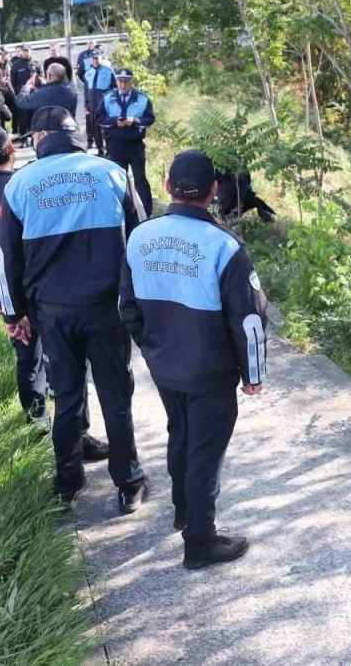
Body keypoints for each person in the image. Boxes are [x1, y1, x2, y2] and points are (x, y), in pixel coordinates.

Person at [119, 149, 268, 569]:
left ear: (167, 186)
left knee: (180, 434)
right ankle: (200, 542)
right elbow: (250, 320)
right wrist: (252, 374)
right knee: (205, 452)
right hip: (211, 371)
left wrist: (153, 347)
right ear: (214, 192)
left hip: (165, 367)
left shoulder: (140, 236)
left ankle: (184, 511)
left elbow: (126, 305)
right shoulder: (224, 246)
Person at [0, 106, 148, 507]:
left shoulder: (20, 185)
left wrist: (15, 316)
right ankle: (129, 484)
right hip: (107, 310)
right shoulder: (113, 172)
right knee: (116, 396)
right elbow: (140, 240)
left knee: (67, 397)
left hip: (54, 313)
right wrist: (141, 305)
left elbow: (6, 259)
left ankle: (68, 484)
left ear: (40, 139)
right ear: (76, 134)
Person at [0, 122, 110, 459]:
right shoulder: (23, 187)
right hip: (39, 294)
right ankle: (76, 437)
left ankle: (38, 428)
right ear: (12, 149)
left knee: (27, 362)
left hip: (8, 296)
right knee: (65, 369)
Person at [95, 67, 155, 216]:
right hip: (115, 145)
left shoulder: (142, 99)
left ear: (131, 82)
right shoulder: (108, 98)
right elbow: (98, 118)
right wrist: (115, 121)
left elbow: (150, 119)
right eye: (120, 81)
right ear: (116, 81)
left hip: (135, 146)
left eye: (126, 82)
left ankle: (146, 211)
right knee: (117, 179)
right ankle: (118, 211)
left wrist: (134, 121)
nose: (123, 85)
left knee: (140, 178)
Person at [81, 48, 115, 156]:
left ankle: (110, 150)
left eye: (97, 58)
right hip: (93, 105)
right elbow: (86, 90)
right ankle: (100, 150)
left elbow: (114, 88)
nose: (95, 60)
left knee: (106, 129)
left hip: (105, 106)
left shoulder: (108, 71)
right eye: (93, 58)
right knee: (95, 129)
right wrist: (87, 105)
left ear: (101, 58)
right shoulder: (89, 72)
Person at [9, 44, 39, 134]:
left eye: (27, 50)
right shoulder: (16, 65)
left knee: (34, 116)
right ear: (21, 52)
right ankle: (23, 138)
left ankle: (33, 136)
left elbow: (40, 78)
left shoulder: (35, 64)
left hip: (34, 94)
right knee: (23, 118)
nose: (25, 53)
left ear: (31, 51)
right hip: (22, 95)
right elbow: (13, 82)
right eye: (24, 51)